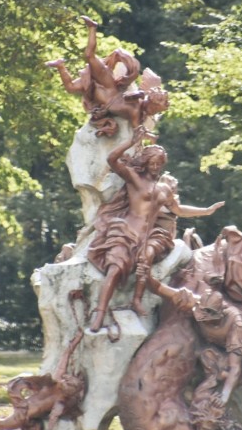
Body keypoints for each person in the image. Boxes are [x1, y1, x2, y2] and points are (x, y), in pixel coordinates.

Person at [87, 125, 224, 338]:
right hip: (126, 232)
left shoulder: (164, 189)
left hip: (147, 236)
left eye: (160, 164)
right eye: (152, 162)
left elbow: (177, 210)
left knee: (145, 262)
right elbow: (112, 160)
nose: (156, 167)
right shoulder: (135, 179)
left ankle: (137, 300)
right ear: (145, 162)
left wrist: (206, 211)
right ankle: (99, 314)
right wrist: (131, 142)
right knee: (115, 269)